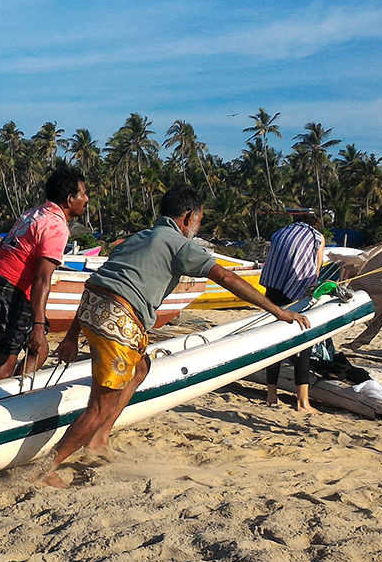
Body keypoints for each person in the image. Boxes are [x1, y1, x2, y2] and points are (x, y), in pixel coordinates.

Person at [38, 185, 312, 488]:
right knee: (100, 405)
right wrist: (278, 311)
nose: (198, 226)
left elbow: (101, 282)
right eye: (199, 220)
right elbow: (227, 277)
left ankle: (99, 439)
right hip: (118, 319)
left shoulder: (139, 237)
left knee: (140, 368)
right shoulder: (181, 244)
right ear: (189, 217)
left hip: (91, 308)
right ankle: (47, 469)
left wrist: (71, 336)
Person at [0, 165, 90, 383]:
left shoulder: (33, 213)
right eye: (83, 194)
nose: (87, 199)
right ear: (70, 199)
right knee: (2, 367)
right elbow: (42, 278)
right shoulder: (56, 227)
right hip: (10, 290)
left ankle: (12, 392)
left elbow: (5, 245)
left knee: (39, 350)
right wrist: (38, 325)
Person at [259, 211, 327, 411]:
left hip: (273, 289)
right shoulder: (316, 236)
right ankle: (302, 401)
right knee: (303, 343)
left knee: (274, 342)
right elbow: (316, 268)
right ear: (315, 224)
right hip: (295, 290)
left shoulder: (280, 232)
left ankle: (271, 395)